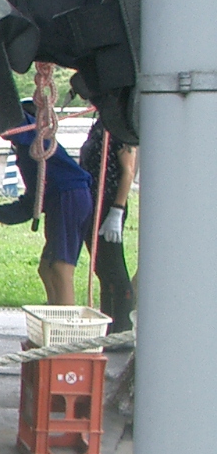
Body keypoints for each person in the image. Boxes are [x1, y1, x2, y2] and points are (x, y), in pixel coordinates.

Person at [0, 92, 93, 306]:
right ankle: (54, 313)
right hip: (65, 199)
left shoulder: (34, 134)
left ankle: (65, 322)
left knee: (61, 269)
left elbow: (7, 119)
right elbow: (28, 207)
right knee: (46, 269)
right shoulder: (30, 154)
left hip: (69, 197)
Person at [78, 118, 137, 333]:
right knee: (102, 270)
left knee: (114, 270)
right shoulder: (100, 125)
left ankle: (122, 329)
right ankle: (109, 327)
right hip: (92, 205)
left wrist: (117, 210)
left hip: (108, 206)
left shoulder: (118, 127)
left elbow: (128, 171)